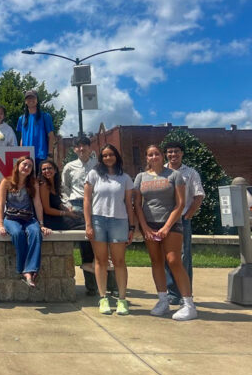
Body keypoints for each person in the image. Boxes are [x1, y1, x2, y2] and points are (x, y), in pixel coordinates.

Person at [133, 144, 197, 321]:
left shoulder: (175, 176)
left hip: (171, 224)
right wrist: (144, 227)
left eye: (157, 154)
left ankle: (188, 304)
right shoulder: (140, 177)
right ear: (147, 158)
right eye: (150, 155)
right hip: (149, 224)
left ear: (162, 156)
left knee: (174, 261)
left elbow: (180, 204)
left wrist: (166, 227)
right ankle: (163, 300)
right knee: (156, 261)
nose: (154, 157)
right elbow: (138, 204)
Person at [83, 145, 135, 315]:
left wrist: (131, 226)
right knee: (100, 260)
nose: (108, 158)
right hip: (98, 220)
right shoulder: (94, 174)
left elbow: (129, 203)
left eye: (111, 155)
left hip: (119, 221)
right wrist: (88, 224)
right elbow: (87, 201)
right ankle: (103, 297)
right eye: (104, 155)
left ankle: (122, 299)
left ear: (116, 156)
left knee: (119, 261)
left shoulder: (125, 178)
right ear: (101, 158)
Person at [0, 156, 52, 287]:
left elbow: (38, 204)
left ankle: (29, 270)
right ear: (18, 166)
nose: (26, 168)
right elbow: (0, 205)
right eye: (24, 164)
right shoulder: (6, 182)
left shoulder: (32, 183)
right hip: (11, 218)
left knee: (35, 233)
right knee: (17, 233)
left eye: (30, 166)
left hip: (28, 218)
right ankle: (24, 270)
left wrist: (41, 224)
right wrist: (0, 224)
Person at [164, 141, 205, 306]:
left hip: (181, 220)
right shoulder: (161, 172)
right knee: (167, 258)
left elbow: (199, 195)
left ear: (182, 153)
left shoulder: (190, 173)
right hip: (163, 221)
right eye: (170, 152)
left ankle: (185, 294)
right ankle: (172, 293)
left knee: (183, 257)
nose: (173, 155)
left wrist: (188, 215)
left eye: (176, 152)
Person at [62, 135, 99, 295]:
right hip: (76, 205)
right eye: (78, 146)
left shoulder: (97, 166)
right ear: (74, 149)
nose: (82, 149)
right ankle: (91, 287)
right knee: (85, 246)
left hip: (95, 205)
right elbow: (64, 188)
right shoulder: (69, 167)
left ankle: (108, 285)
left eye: (84, 146)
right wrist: (69, 205)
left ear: (89, 148)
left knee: (100, 246)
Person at [38, 159, 84, 230]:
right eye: (44, 169)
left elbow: (58, 203)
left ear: (55, 170)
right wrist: (66, 213)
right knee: (82, 224)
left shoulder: (55, 185)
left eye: (50, 168)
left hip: (59, 216)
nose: (47, 171)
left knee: (82, 216)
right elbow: (47, 210)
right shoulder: (44, 186)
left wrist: (68, 211)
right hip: (50, 220)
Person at [16, 89, 55, 168]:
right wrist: (21, 154)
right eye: (28, 98)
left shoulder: (45, 116)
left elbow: (51, 136)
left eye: (33, 98)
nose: (31, 100)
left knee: (40, 180)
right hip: (27, 157)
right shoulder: (21, 118)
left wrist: (50, 154)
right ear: (25, 101)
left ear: (37, 100)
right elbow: (22, 138)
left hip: (41, 156)